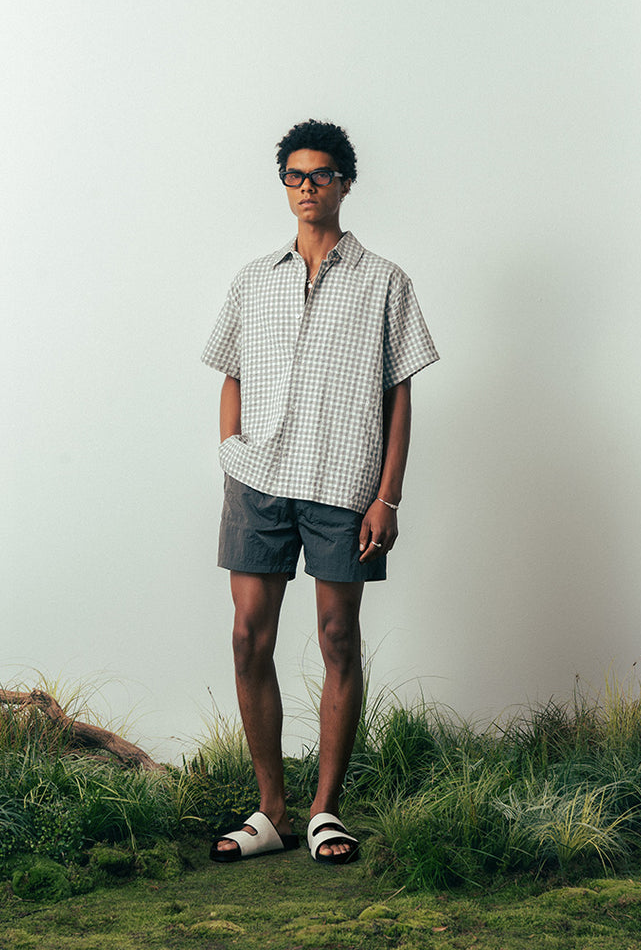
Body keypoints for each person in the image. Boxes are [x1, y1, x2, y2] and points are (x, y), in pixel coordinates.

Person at [201, 119, 438, 864]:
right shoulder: (253, 279)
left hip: (343, 482)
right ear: (285, 184)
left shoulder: (386, 280)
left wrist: (387, 497)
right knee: (248, 637)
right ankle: (271, 810)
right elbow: (232, 369)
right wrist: (230, 448)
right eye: (296, 175)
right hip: (259, 479)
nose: (308, 186)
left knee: (338, 637)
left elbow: (399, 394)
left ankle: (325, 811)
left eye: (323, 174)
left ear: (345, 183)